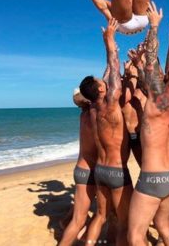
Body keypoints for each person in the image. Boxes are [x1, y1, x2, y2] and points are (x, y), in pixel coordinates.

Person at [128, 1, 169, 246]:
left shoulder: (157, 98)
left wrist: (153, 27)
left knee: (135, 234)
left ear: (167, 76)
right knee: (164, 224)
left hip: (153, 178)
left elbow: (151, 59)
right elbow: (168, 70)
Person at [79, 18, 133, 245]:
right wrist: (109, 40)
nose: (104, 81)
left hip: (100, 170)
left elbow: (109, 72)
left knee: (100, 216)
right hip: (117, 171)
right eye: (100, 81)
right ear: (101, 88)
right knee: (124, 222)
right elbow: (114, 70)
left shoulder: (91, 108)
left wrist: (112, 57)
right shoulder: (111, 103)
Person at [59, 89, 97, 246]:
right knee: (80, 219)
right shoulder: (95, 115)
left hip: (82, 169)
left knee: (78, 217)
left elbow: (78, 98)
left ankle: (75, 231)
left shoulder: (84, 115)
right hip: (89, 172)